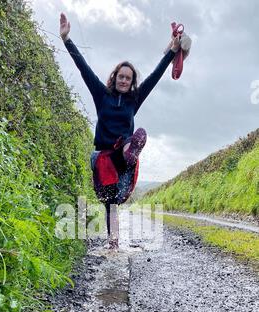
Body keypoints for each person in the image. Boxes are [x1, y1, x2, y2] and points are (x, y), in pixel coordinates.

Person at [59, 13, 182, 249]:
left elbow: (155, 77)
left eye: (129, 78)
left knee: (136, 136)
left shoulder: (133, 100)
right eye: (121, 76)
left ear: (132, 82)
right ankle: (113, 242)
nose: (124, 80)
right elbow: (83, 68)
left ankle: (130, 151)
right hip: (105, 157)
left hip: (123, 155)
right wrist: (67, 39)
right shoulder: (101, 95)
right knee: (111, 202)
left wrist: (172, 52)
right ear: (115, 77)